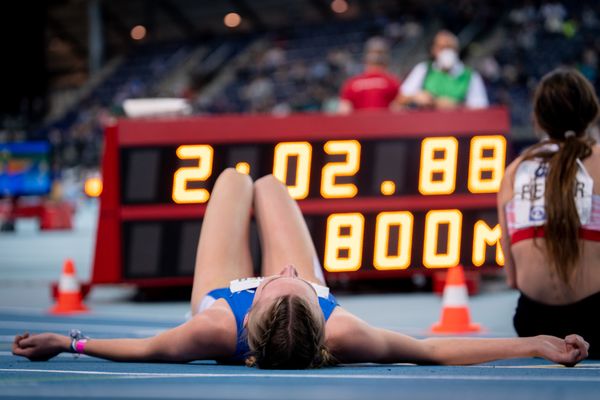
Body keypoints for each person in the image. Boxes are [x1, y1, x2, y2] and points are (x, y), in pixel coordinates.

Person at [13, 169, 589, 368]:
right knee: (272, 185)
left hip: (219, 295)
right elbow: (434, 349)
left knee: (234, 183)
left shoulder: (214, 328)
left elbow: (140, 349)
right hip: (291, 306)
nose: (282, 269)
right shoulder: (344, 331)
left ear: (255, 304)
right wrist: (534, 345)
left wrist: (66, 341)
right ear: (319, 314)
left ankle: (235, 191)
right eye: (294, 281)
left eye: (277, 280)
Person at [498, 68, 600, 358]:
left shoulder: (513, 172)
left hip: (533, 325)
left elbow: (512, 278)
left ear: (538, 118)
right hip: (596, 321)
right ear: (591, 112)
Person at [397, 30, 488, 110]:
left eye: (450, 47)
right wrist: (415, 97)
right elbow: (400, 100)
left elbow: (480, 108)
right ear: (433, 50)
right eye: (442, 47)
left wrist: (456, 107)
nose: (447, 51)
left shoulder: (470, 75)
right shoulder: (424, 69)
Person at [337, 37, 401, 114]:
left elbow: (344, 111)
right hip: (384, 125)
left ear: (365, 61)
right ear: (386, 62)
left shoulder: (351, 83)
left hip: (359, 125)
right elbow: (397, 110)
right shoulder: (392, 81)